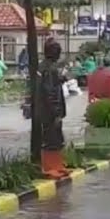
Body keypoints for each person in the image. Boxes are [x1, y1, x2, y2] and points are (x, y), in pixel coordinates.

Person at [35, 40, 70, 179]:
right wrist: (56, 113)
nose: (59, 55)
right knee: (52, 138)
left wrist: (60, 79)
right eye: (58, 52)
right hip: (50, 111)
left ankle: (57, 165)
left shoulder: (44, 66)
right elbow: (50, 92)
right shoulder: (50, 69)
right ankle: (51, 167)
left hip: (45, 109)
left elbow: (49, 85)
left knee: (55, 138)